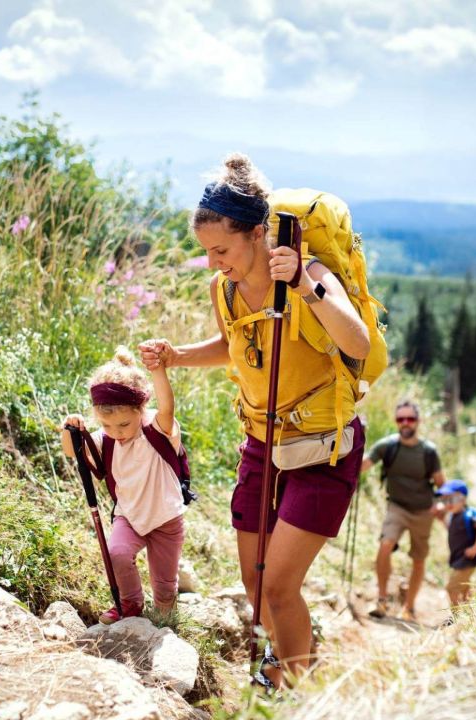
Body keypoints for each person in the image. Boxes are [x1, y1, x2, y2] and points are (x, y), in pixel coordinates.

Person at [139, 153, 370, 691]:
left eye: (221, 249)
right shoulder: (224, 288)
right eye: (207, 253)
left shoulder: (309, 274)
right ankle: (289, 663)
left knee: (281, 586)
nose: (214, 262)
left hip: (322, 448)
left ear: (259, 233)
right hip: (261, 444)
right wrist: (176, 356)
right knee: (255, 581)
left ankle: (293, 690)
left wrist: (308, 290)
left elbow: (356, 341)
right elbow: (233, 345)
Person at [61, 348, 185, 624]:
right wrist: (68, 429)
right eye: (106, 424)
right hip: (129, 515)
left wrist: (157, 370)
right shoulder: (106, 440)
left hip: (166, 518)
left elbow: (167, 406)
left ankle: (166, 617)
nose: (116, 432)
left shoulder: (156, 428)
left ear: (141, 409)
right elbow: (73, 451)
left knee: (164, 583)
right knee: (117, 552)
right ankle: (130, 604)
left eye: (124, 424)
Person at [360, 400, 446, 621]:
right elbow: (363, 465)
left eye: (410, 419)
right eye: (401, 419)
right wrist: (355, 440)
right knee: (385, 544)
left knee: (418, 559)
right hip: (396, 506)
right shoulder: (387, 446)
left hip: (423, 511)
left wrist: (441, 504)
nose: (405, 423)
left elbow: (441, 484)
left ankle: (409, 607)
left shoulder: (428, 452)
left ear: (418, 421)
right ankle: (382, 600)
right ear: (396, 422)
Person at [432, 479, 476, 605]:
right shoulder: (454, 516)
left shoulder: (468, 515)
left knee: (451, 588)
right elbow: (454, 532)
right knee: (465, 587)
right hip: (460, 558)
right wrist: (442, 520)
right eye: (444, 500)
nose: (448, 503)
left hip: (468, 559)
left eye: (452, 499)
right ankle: (471, 610)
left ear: (463, 499)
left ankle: (457, 617)